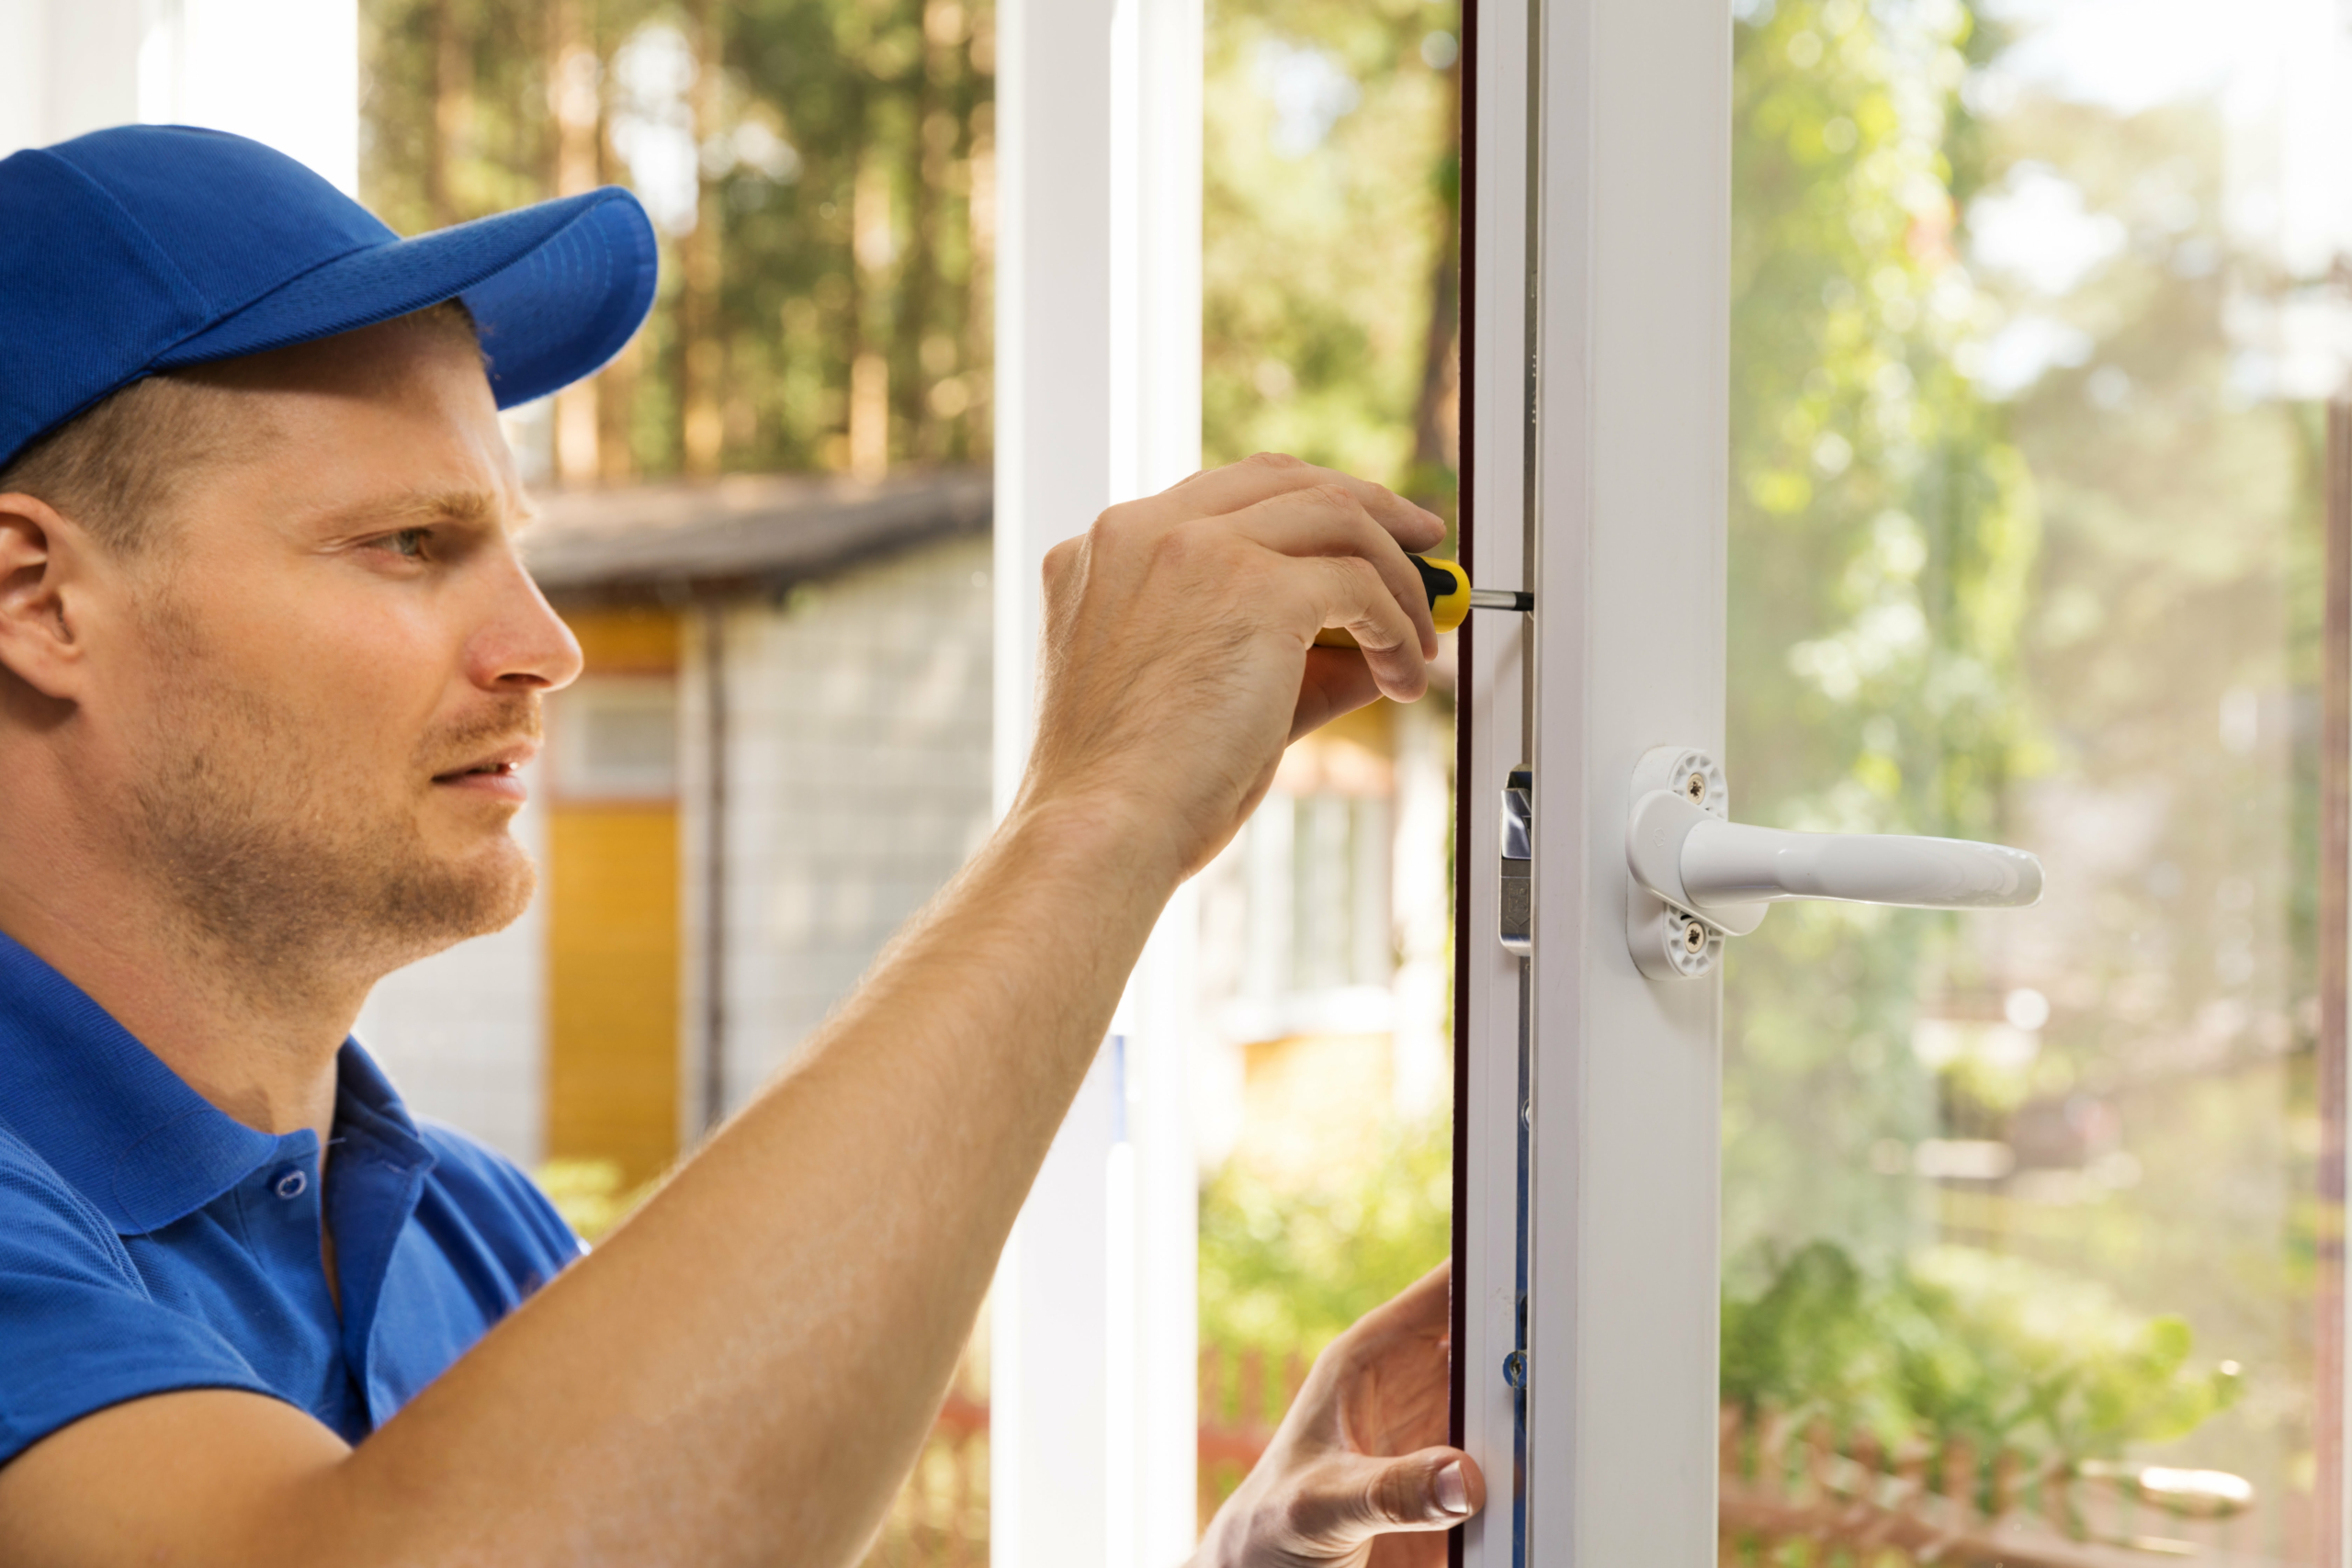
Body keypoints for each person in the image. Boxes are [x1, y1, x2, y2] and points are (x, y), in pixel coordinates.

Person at [0, 125, 1486, 1565]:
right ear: (39, 599)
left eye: (517, 546)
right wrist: (1095, 816)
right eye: (410, 543)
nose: (546, 646)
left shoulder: (470, 1232)